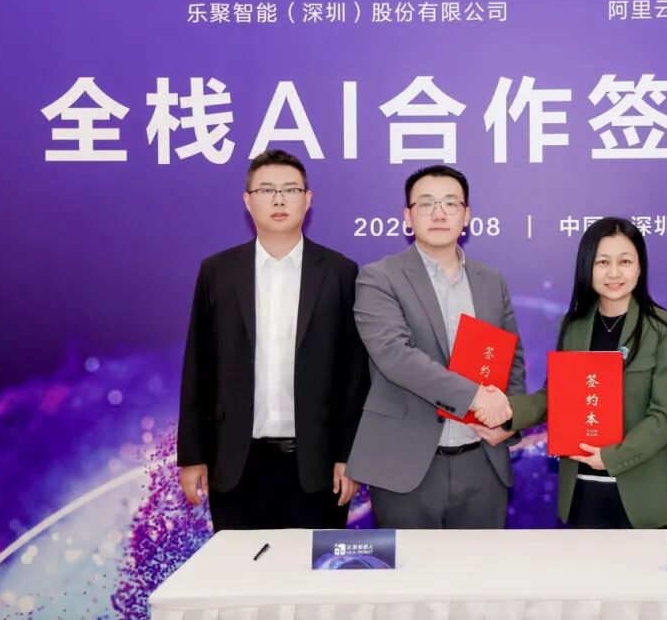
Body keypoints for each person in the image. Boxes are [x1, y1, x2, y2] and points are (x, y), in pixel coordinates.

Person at [177, 150, 370, 530]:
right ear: (248, 201)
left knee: (313, 569)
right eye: (266, 190)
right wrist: (193, 456)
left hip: (317, 465)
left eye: (290, 190)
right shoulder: (218, 272)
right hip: (235, 462)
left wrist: (350, 455)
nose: (279, 200)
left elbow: (354, 374)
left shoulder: (340, 272)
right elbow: (198, 365)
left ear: (307, 199)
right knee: (240, 567)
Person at [346, 165, 525, 529]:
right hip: (405, 466)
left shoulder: (491, 280)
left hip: (483, 461)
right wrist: (475, 396)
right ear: (407, 217)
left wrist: (511, 419)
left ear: (466, 215)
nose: (439, 214)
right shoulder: (379, 277)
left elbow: (513, 359)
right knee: (410, 569)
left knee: (480, 566)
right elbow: (395, 356)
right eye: (426, 204)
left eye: (450, 203)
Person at [491, 217, 667, 529]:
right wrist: (503, 412)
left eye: (625, 261)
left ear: (639, 267)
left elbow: (664, 416)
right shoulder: (573, 326)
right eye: (602, 262)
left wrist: (611, 457)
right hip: (582, 490)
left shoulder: (664, 327)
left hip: (645, 496)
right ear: (588, 267)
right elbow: (553, 397)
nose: (614, 273)